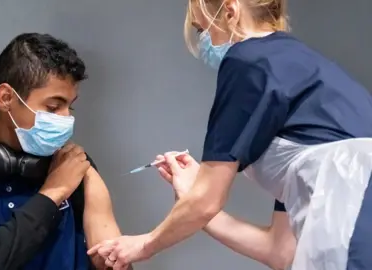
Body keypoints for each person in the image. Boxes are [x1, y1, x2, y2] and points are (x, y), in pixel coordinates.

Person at [87, 0, 372, 269]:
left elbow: (207, 200)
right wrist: (193, 196)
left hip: (351, 224)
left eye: (203, 30)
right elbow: (280, 251)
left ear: (230, 11)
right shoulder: (307, 73)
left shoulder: (248, 60)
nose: (205, 41)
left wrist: (144, 244)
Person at [0, 33, 126, 270]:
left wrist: (114, 260)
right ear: (6, 98)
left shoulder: (73, 165)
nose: (67, 118)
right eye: (53, 107)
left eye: (70, 105)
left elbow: (109, 256)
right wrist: (54, 191)